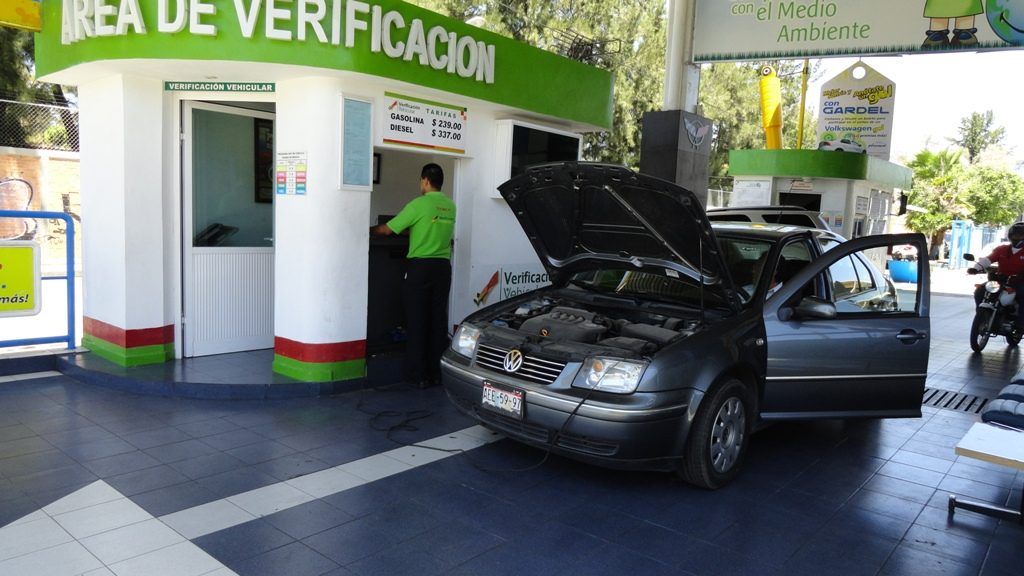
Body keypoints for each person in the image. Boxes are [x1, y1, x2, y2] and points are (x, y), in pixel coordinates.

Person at [370, 163, 455, 389]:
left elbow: (387, 230)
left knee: (417, 320)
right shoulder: (450, 206)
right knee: (437, 321)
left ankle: (418, 376)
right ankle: (436, 373)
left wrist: (367, 230)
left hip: (421, 268)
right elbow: (428, 227)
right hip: (443, 268)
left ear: (425, 180)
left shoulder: (419, 204)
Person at [968, 222, 1024, 335]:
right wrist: (976, 268)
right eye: (1014, 235)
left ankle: (1020, 325)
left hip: (1019, 282)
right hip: (1000, 280)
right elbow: (988, 260)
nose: (1016, 238)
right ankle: (982, 315)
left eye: (1019, 235)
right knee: (980, 291)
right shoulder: (1002, 249)